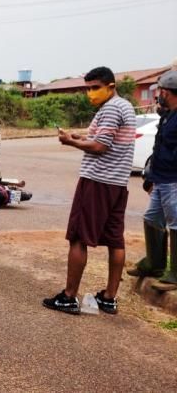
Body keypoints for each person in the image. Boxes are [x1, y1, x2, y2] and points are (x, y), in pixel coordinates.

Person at [43, 66, 136, 315]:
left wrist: (70, 142)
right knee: (115, 240)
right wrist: (77, 135)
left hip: (97, 181)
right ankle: (109, 297)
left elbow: (99, 146)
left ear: (110, 86)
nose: (91, 93)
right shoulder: (124, 106)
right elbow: (102, 138)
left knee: (78, 237)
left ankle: (69, 296)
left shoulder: (111, 108)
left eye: (95, 88)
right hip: (118, 183)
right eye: (88, 88)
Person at [127, 69, 177, 292]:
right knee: (152, 218)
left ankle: (175, 273)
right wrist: (150, 175)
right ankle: (154, 264)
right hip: (161, 177)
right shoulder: (167, 115)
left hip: (173, 179)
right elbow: (158, 148)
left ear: (171, 92)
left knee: (176, 223)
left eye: (162, 91)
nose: (159, 95)